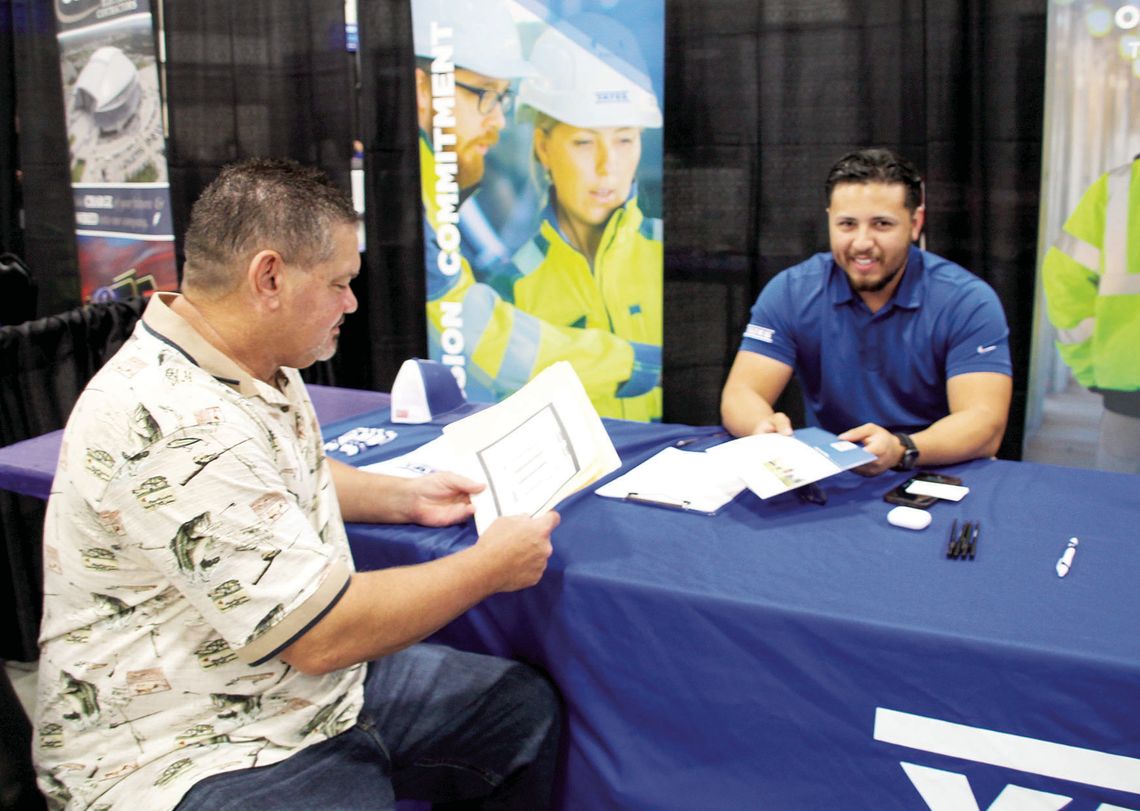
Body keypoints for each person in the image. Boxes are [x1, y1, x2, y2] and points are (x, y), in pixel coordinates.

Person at [33, 158, 562, 811]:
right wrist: (488, 568)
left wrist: (403, 496)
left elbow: (277, 476)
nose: (351, 302)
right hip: (182, 748)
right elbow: (322, 635)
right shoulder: (177, 423)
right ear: (270, 276)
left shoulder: (244, 357)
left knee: (516, 712)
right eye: (339, 282)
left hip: (300, 693)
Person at [414, 0, 660, 411]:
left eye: (625, 139)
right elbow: (481, 336)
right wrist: (630, 364)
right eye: (485, 96)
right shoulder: (508, 279)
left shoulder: (673, 258)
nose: (498, 122)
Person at [721, 148, 1013, 475]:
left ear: (915, 223)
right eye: (847, 224)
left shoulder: (967, 302)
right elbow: (741, 393)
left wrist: (902, 448)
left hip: (933, 468)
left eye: (882, 224)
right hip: (831, 473)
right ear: (829, 219)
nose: (862, 242)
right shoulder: (792, 290)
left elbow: (985, 423)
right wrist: (761, 427)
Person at [504, 17, 664, 421]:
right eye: (583, 142)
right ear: (543, 146)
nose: (607, 165)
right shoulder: (510, 288)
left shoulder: (675, 257)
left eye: (625, 139)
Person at [1042, 155, 1140, 474]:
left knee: (1117, 505)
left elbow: (1064, 279)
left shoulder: (1119, 189)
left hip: (1129, 385)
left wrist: (1090, 366)